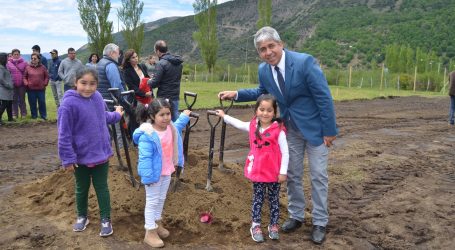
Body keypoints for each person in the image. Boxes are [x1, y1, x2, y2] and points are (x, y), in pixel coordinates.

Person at [218, 26, 337, 244]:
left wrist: (329, 130)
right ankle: (296, 215)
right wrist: (237, 93)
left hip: (316, 130)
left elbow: (323, 97)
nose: (268, 52)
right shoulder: (264, 70)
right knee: (292, 174)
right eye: (262, 49)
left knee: (318, 176)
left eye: (271, 46)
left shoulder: (304, 62)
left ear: (280, 44)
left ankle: (320, 221)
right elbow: (262, 93)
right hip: (289, 129)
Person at [57, 68, 123, 237]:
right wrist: (68, 159)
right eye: (83, 83)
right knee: (81, 188)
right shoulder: (68, 104)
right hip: (80, 158)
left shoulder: (97, 97)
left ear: (97, 85)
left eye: (92, 84)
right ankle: (82, 217)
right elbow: (64, 134)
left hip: (101, 153)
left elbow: (103, 117)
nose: (88, 88)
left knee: (102, 188)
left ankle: (106, 219)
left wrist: (116, 115)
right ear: (75, 83)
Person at [215, 94, 288, 243]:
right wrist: (224, 116)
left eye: (269, 110)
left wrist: (283, 172)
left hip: (274, 172)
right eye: (262, 109)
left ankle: (273, 225)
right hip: (259, 172)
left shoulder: (278, 131)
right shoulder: (253, 126)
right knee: (258, 199)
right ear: (256, 111)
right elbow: (239, 123)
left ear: (274, 113)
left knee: (274, 199)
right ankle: (255, 225)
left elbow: (286, 152)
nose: (265, 113)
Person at [132, 98, 190, 248]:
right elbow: (144, 158)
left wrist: (184, 116)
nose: (166, 118)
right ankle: (149, 232)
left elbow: (177, 125)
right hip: (154, 174)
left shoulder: (170, 128)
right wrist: (147, 176)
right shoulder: (148, 135)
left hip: (167, 170)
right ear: (152, 116)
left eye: (168, 113)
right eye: (161, 115)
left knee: (161, 198)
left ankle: (157, 223)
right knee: (152, 201)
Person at [97, 43, 127, 148]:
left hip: (102, 101)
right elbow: (116, 87)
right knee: (118, 131)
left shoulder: (100, 63)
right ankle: (122, 153)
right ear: (111, 53)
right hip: (112, 103)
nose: (119, 56)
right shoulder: (110, 65)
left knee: (108, 130)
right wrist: (125, 101)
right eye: (118, 54)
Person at [148, 40, 183, 122]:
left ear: (157, 51)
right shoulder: (178, 63)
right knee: (175, 120)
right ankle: (178, 135)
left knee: (164, 121)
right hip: (175, 95)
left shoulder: (161, 63)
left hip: (164, 97)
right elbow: (172, 77)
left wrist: (149, 81)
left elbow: (154, 83)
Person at [23, 53, 49, 120]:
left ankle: (43, 116)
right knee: (32, 103)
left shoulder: (43, 67)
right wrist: (26, 83)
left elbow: (46, 76)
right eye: (32, 58)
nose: (33, 60)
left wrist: (45, 83)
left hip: (41, 89)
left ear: (38, 59)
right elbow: (24, 77)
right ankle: (34, 116)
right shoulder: (28, 67)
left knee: (42, 102)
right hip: (31, 89)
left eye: (35, 58)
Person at [6, 49, 28, 118]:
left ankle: (23, 114)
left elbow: (26, 73)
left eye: (17, 54)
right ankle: (14, 114)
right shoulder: (8, 63)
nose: (16, 55)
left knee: (22, 100)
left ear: (19, 55)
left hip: (22, 85)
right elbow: (7, 74)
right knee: (14, 100)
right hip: (13, 85)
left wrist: (25, 81)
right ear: (12, 55)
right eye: (14, 54)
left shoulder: (24, 63)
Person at [0, 53, 14, 125]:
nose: (8, 59)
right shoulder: (1, 68)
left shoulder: (5, 67)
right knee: (4, 105)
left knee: (9, 104)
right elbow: (1, 79)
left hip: (8, 90)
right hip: (4, 90)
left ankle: (10, 118)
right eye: (6, 58)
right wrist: (8, 85)